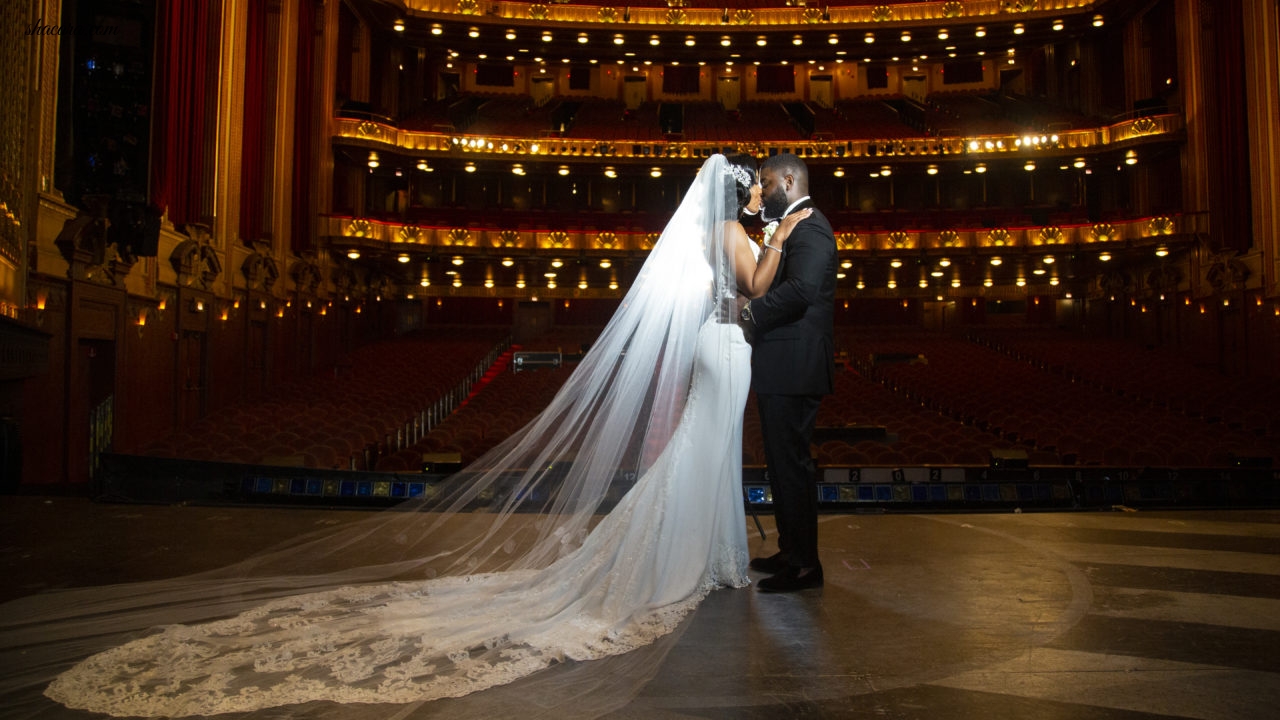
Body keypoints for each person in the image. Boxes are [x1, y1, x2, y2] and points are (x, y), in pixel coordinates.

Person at [0, 155, 811, 718]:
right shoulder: (740, 238)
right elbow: (756, 285)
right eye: (752, 194)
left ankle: (711, 555)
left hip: (723, 346)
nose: (757, 200)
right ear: (734, 201)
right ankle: (707, 558)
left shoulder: (711, 233)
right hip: (726, 343)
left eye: (761, 196)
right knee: (708, 454)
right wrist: (776, 239)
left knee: (705, 456)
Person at [738, 153, 838, 593]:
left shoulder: (811, 224)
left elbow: (802, 290)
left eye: (768, 181)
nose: (764, 190)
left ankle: (805, 565)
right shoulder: (792, 224)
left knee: (792, 467)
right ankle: (790, 550)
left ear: (790, 180)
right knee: (780, 467)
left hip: (795, 364)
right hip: (783, 363)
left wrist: (751, 313)